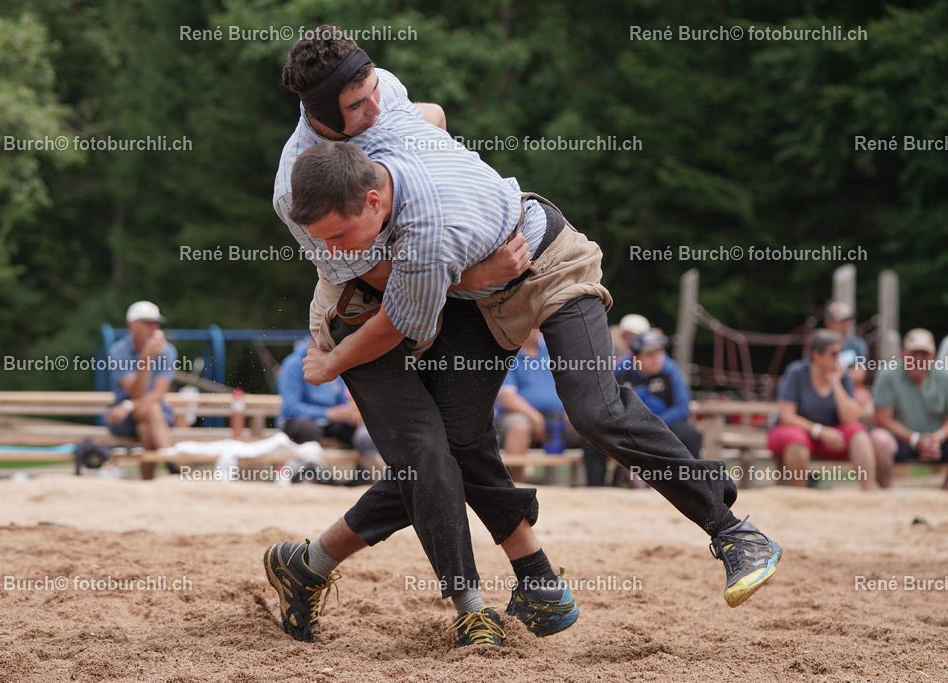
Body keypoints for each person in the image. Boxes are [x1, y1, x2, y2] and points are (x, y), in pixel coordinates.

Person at [288, 108, 782, 624]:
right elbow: (431, 114)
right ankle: (533, 580)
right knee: (452, 446)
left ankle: (732, 532)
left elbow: (399, 319)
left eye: (339, 235)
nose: (332, 251)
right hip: (487, 296)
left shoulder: (430, 229)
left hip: (547, 267)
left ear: (372, 199)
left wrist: (330, 362)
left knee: (595, 412)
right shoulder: (378, 155)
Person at [264, 27, 573, 649]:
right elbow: (385, 286)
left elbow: (427, 115)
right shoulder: (297, 190)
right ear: (322, 117)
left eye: (372, 91)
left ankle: (307, 565)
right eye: (355, 108)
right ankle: (471, 606)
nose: (373, 109)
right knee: (428, 453)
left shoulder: (376, 95)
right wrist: (480, 273)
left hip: (426, 292)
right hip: (361, 313)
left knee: (451, 446)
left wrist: (442, 178)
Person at [766, 329, 890, 490]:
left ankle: (869, 493)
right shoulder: (796, 373)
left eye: (840, 353)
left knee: (859, 434)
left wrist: (835, 383)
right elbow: (786, 417)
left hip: (830, 438)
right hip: (800, 434)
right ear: (817, 356)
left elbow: (850, 419)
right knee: (795, 439)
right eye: (834, 354)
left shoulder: (841, 375)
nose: (839, 359)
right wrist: (820, 431)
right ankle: (799, 495)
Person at [278, 336, 383, 480]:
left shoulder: (332, 364)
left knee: (361, 435)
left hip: (328, 423)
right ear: (316, 341)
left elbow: (341, 401)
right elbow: (290, 408)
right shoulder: (293, 364)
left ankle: (360, 481)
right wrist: (327, 413)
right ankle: (310, 478)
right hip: (299, 422)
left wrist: (347, 414)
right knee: (310, 429)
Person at [606, 330, 703, 486]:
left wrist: (654, 425)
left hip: (664, 428)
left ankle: (695, 487)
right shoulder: (619, 373)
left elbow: (682, 409)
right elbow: (609, 408)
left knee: (690, 434)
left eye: (660, 353)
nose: (657, 359)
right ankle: (595, 487)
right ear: (636, 357)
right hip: (630, 431)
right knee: (593, 437)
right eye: (650, 355)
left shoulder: (670, 371)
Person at [497, 329, 585, 482]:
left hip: (559, 416)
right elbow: (506, 396)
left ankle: (584, 485)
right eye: (532, 324)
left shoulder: (553, 350)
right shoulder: (508, 353)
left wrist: (572, 410)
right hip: (520, 415)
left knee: (587, 424)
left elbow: (573, 387)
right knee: (520, 427)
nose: (537, 328)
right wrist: (535, 417)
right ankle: (514, 486)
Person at [104, 301, 178, 480]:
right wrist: (145, 360)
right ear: (132, 326)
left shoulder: (167, 351)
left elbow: (157, 394)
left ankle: (148, 483)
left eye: (156, 323)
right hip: (125, 420)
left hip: (137, 413)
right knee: (153, 411)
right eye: (147, 322)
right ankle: (173, 465)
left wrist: (128, 406)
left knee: (147, 425)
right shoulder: (119, 351)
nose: (154, 328)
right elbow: (136, 392)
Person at [871, 328, 948, 490]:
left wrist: (937, 437)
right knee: (879, 439)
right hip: (902, 442)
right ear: (903, 354)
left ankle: (944, 498)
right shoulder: (888, 375)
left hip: (938, 442)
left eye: (924, 354)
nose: (918, 359)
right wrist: (915, 440)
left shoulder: (944, 376)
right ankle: (887, 494)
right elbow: (883, 418)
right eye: (913, 354)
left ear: (933, 356)